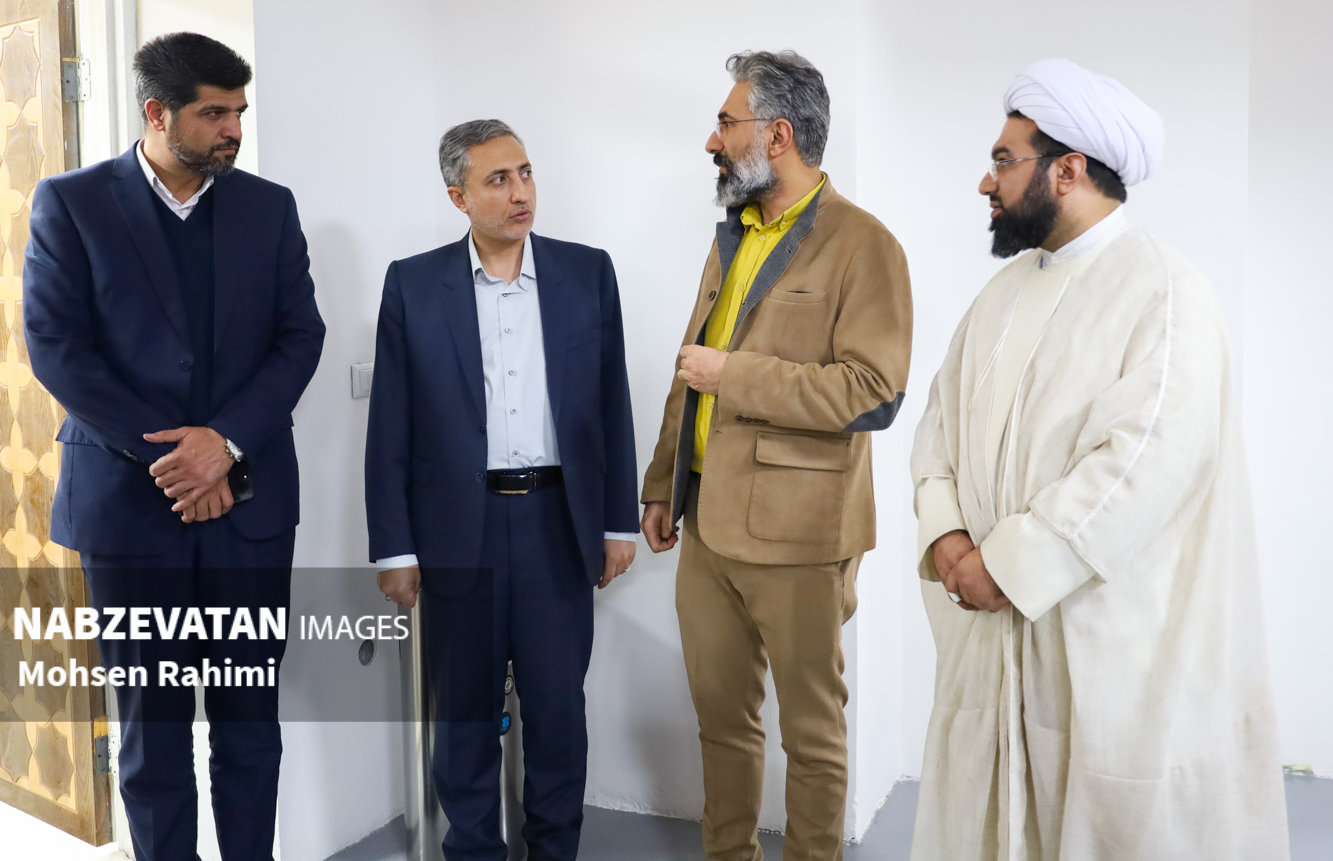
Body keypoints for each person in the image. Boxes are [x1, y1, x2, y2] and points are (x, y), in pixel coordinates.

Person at [909, 58, 1289, 861]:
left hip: (1104, 641)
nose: (985, 181)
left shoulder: (1165, 291)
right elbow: (937, 423)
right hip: (988, 634)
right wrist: (946, 537)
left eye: (1003, 161)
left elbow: (1142, 462)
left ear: (1067, 169)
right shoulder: (999, 295)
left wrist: (1004, 566)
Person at [23, 32, 324, 861]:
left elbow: (300, 336)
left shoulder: (269, 207)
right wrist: (180, 459)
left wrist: (223, 443)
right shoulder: (72, 203)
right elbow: (57, 348)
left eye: (239, 112)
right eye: (214, 113)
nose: (233, 130)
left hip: (249, 510)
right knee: (151, 732)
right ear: (156, 113)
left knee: (248, 721)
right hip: (128, 513)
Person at [640, 51, 912, 861]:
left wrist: (737, 375)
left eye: (725, 123)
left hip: (800, 537)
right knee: (720, 723)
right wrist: (662, 482)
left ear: (778, 135)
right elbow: (690, 367)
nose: (711, 142)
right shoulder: (733, 236)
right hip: (705, 525)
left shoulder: (865, 245)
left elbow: (872, 392)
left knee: (812, 735)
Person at [366, 119, 638, 861]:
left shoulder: (587, 272)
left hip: (558, 524)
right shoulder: (413, 284)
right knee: (463, 716)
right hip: (460, 528)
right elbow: (390, 425)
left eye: (525, 173)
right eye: (497, 180)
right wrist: (394, 547)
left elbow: (611, 405)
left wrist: (618, 523)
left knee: (557, 713)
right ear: (458, 197)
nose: (520, 192)